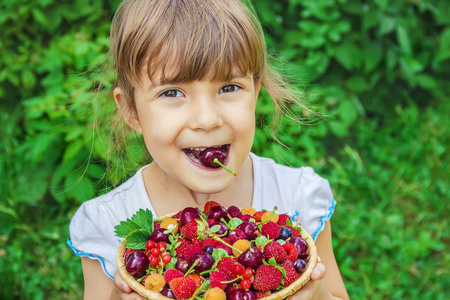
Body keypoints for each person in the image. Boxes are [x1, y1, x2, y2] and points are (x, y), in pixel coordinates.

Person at [68, 0, 349, 299]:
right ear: (132, 111)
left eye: (228, 87)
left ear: (255, 95)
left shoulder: (297, 198)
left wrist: (318, 295)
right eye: (172, 92)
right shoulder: (108, 224)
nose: (207, 119)